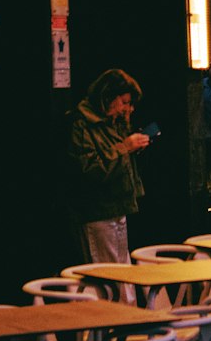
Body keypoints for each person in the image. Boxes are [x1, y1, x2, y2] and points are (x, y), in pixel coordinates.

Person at [64, 68, 150, 265]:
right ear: (108, 97)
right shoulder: (82, 125)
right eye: (124, 102)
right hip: (97, 211)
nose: (126, 109)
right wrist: (125, 148)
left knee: (121, 267)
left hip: (117, 207)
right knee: (106, 271)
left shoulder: (113, 123)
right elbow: (89, 169)